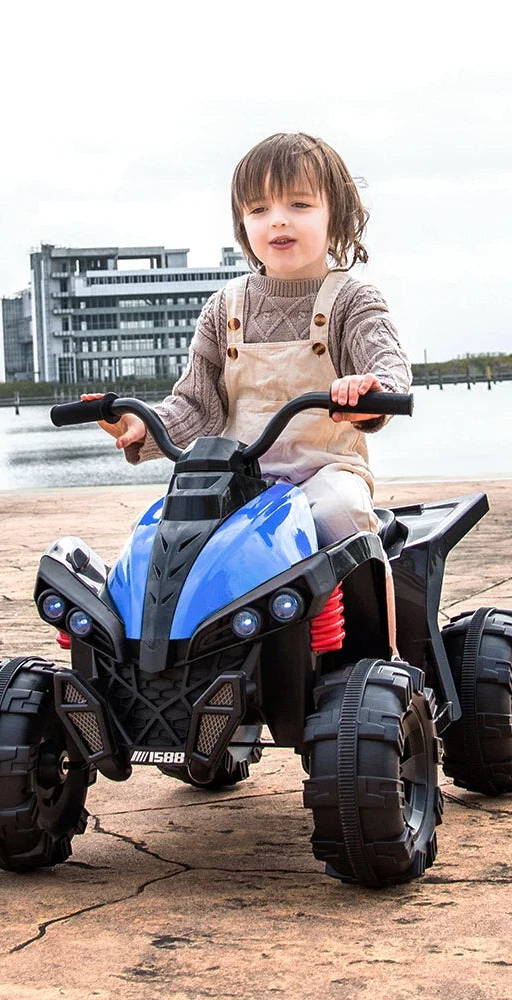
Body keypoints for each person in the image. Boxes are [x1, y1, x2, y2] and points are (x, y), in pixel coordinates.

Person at [85, 132, 411, 652]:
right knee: (160, 542)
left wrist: (371, 389)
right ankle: (178, 663)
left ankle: (380, 660)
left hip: (322, 470)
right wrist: (142, 424)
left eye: (299, 204)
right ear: (243, 224)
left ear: (337, 216)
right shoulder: (224, 306)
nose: (278, 220)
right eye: (259, 209)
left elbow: (386, 363)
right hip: (239, 481)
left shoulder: (353, 299)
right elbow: (196, 403)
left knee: (341, 514)